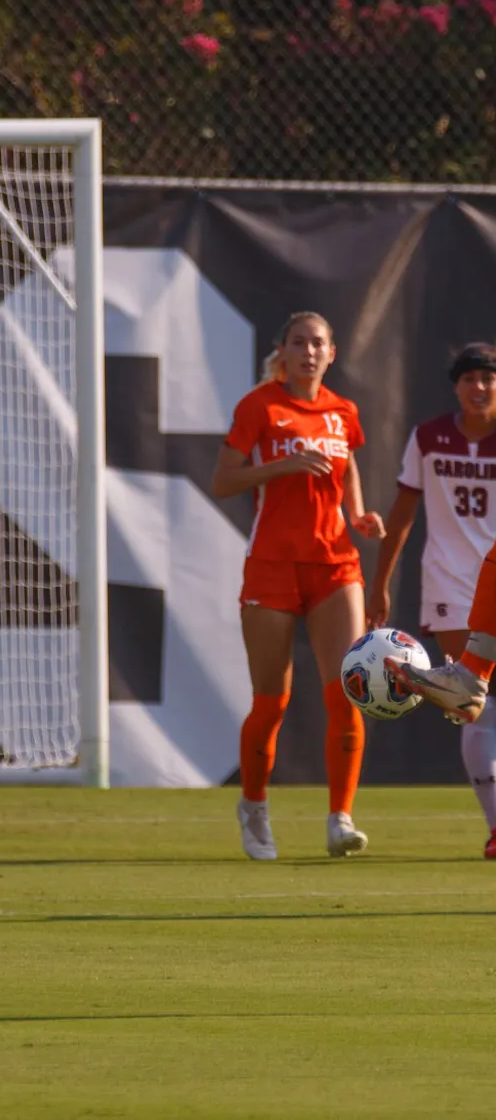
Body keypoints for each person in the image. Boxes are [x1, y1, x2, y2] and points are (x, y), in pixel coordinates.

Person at [212, 311, 386, 861]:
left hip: (335, 564)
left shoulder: (343, 410)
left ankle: (340, 818)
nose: (309, 351)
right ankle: (255, 809)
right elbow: (223, 480)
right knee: (272, 702)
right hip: (272, 566)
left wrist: (356, 513)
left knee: (347, 692)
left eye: (318, 343)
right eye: (299, 342)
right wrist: (281, 467)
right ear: (282, 352)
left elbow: (348, 463)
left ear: (332, 354)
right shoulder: (260, 405)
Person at [369, 344, 496, 858]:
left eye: (488, 379)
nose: (480, 387)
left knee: (476, 696)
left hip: (495, 574)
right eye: (470, 378)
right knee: (481, 707)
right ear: (455, 386)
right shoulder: (428, 437)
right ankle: (495, 829)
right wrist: (380, 581)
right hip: (451, 583)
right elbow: (401, 513)